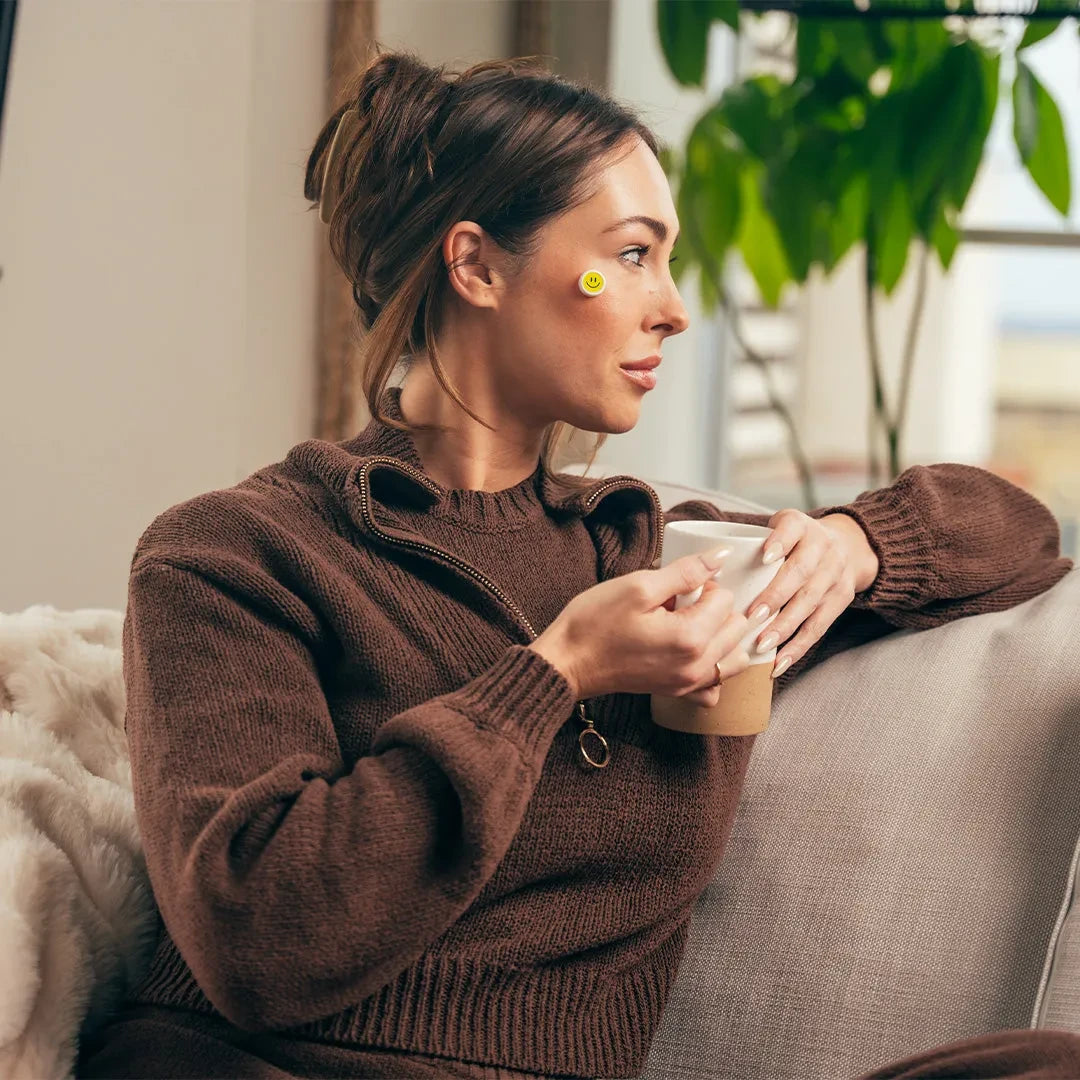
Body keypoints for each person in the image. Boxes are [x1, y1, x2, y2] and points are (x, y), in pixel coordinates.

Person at [77, 48, 1080, 1080]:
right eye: (634, 254)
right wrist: (554, 676)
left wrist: (858, 545)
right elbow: (257, 935)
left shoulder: (661, 560)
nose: (675, 307)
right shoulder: (237, 553)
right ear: (477, 267)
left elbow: (1014, 535)